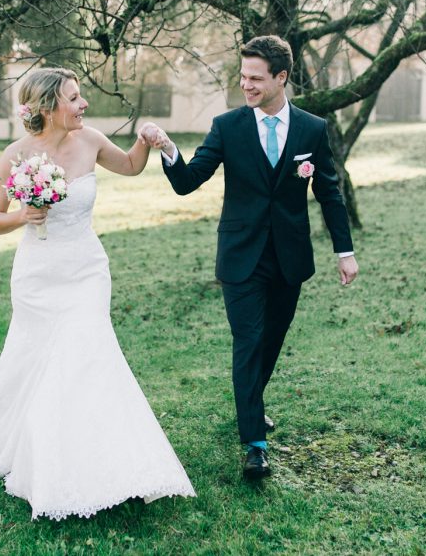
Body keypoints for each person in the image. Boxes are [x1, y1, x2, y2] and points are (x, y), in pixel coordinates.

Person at [0, 67, 195, 521]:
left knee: (88, 351)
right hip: (38, 276)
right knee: (40, 360)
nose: (83, 104)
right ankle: (51, 448)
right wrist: (23, 215)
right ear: (49, 107)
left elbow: (130, 166)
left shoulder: (91, 140)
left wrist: (145, 141)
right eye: (74, 97)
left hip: (87, 270)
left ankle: (106, 448)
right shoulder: (15, 155)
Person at [143, 35, 358, 479]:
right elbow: (188, 181)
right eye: (243, 76)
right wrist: (168, 149)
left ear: (281, 78)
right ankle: (255, 445)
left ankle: (251, 404)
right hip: (241, 256)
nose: (246, 85)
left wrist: (345, 251)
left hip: (289, 257)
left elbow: (329, 192)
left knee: (272, 340)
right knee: (248, 341)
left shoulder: (312, 129)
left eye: (256, 78)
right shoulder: (228, 127)